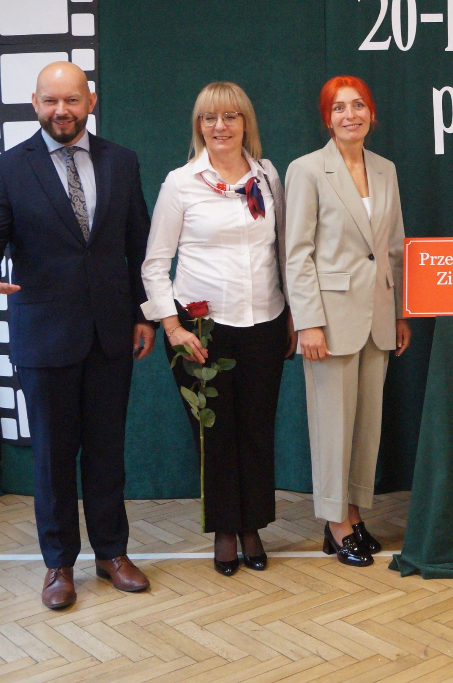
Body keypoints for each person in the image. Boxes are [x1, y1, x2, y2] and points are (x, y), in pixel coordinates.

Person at [0, 62, 154, 610]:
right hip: (44, 336)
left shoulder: (122, 160)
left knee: (106, 451)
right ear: (35, 104)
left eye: (71, 100)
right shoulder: (8, 167)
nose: (61, 111)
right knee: (51, 456)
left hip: (111, 334)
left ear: (90, 101)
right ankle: (58, 565)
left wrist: (142, 313)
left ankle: (112, 553)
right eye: (50, 101)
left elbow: (137, 243)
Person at [140, 82, 297, 576]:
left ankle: (253, 525)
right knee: (215, 433)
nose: (220, 126)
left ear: (246, 123)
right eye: (209, 118)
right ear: (199, 126)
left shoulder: (267, 177)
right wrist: (172, 327)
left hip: (265, 322)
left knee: (256, 429)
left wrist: (293, 314)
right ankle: (226, 529)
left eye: (230, 116)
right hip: (201, 330)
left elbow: (283, 249)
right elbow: (155, 263)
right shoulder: (180, 183)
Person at [285, 76, 410, 567]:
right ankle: (335, 523)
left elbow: (394, 248)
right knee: (332, 427)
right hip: (329, 321)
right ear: (327, 118)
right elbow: (296, 253)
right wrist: (308, 322)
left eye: (358, 105)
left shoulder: (386, 169)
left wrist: (400, 313)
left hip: (378, 317)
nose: (350, 115)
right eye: (339, 108)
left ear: (371, 113)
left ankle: (353, 513)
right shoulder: (306, 170)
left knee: (365, 426)